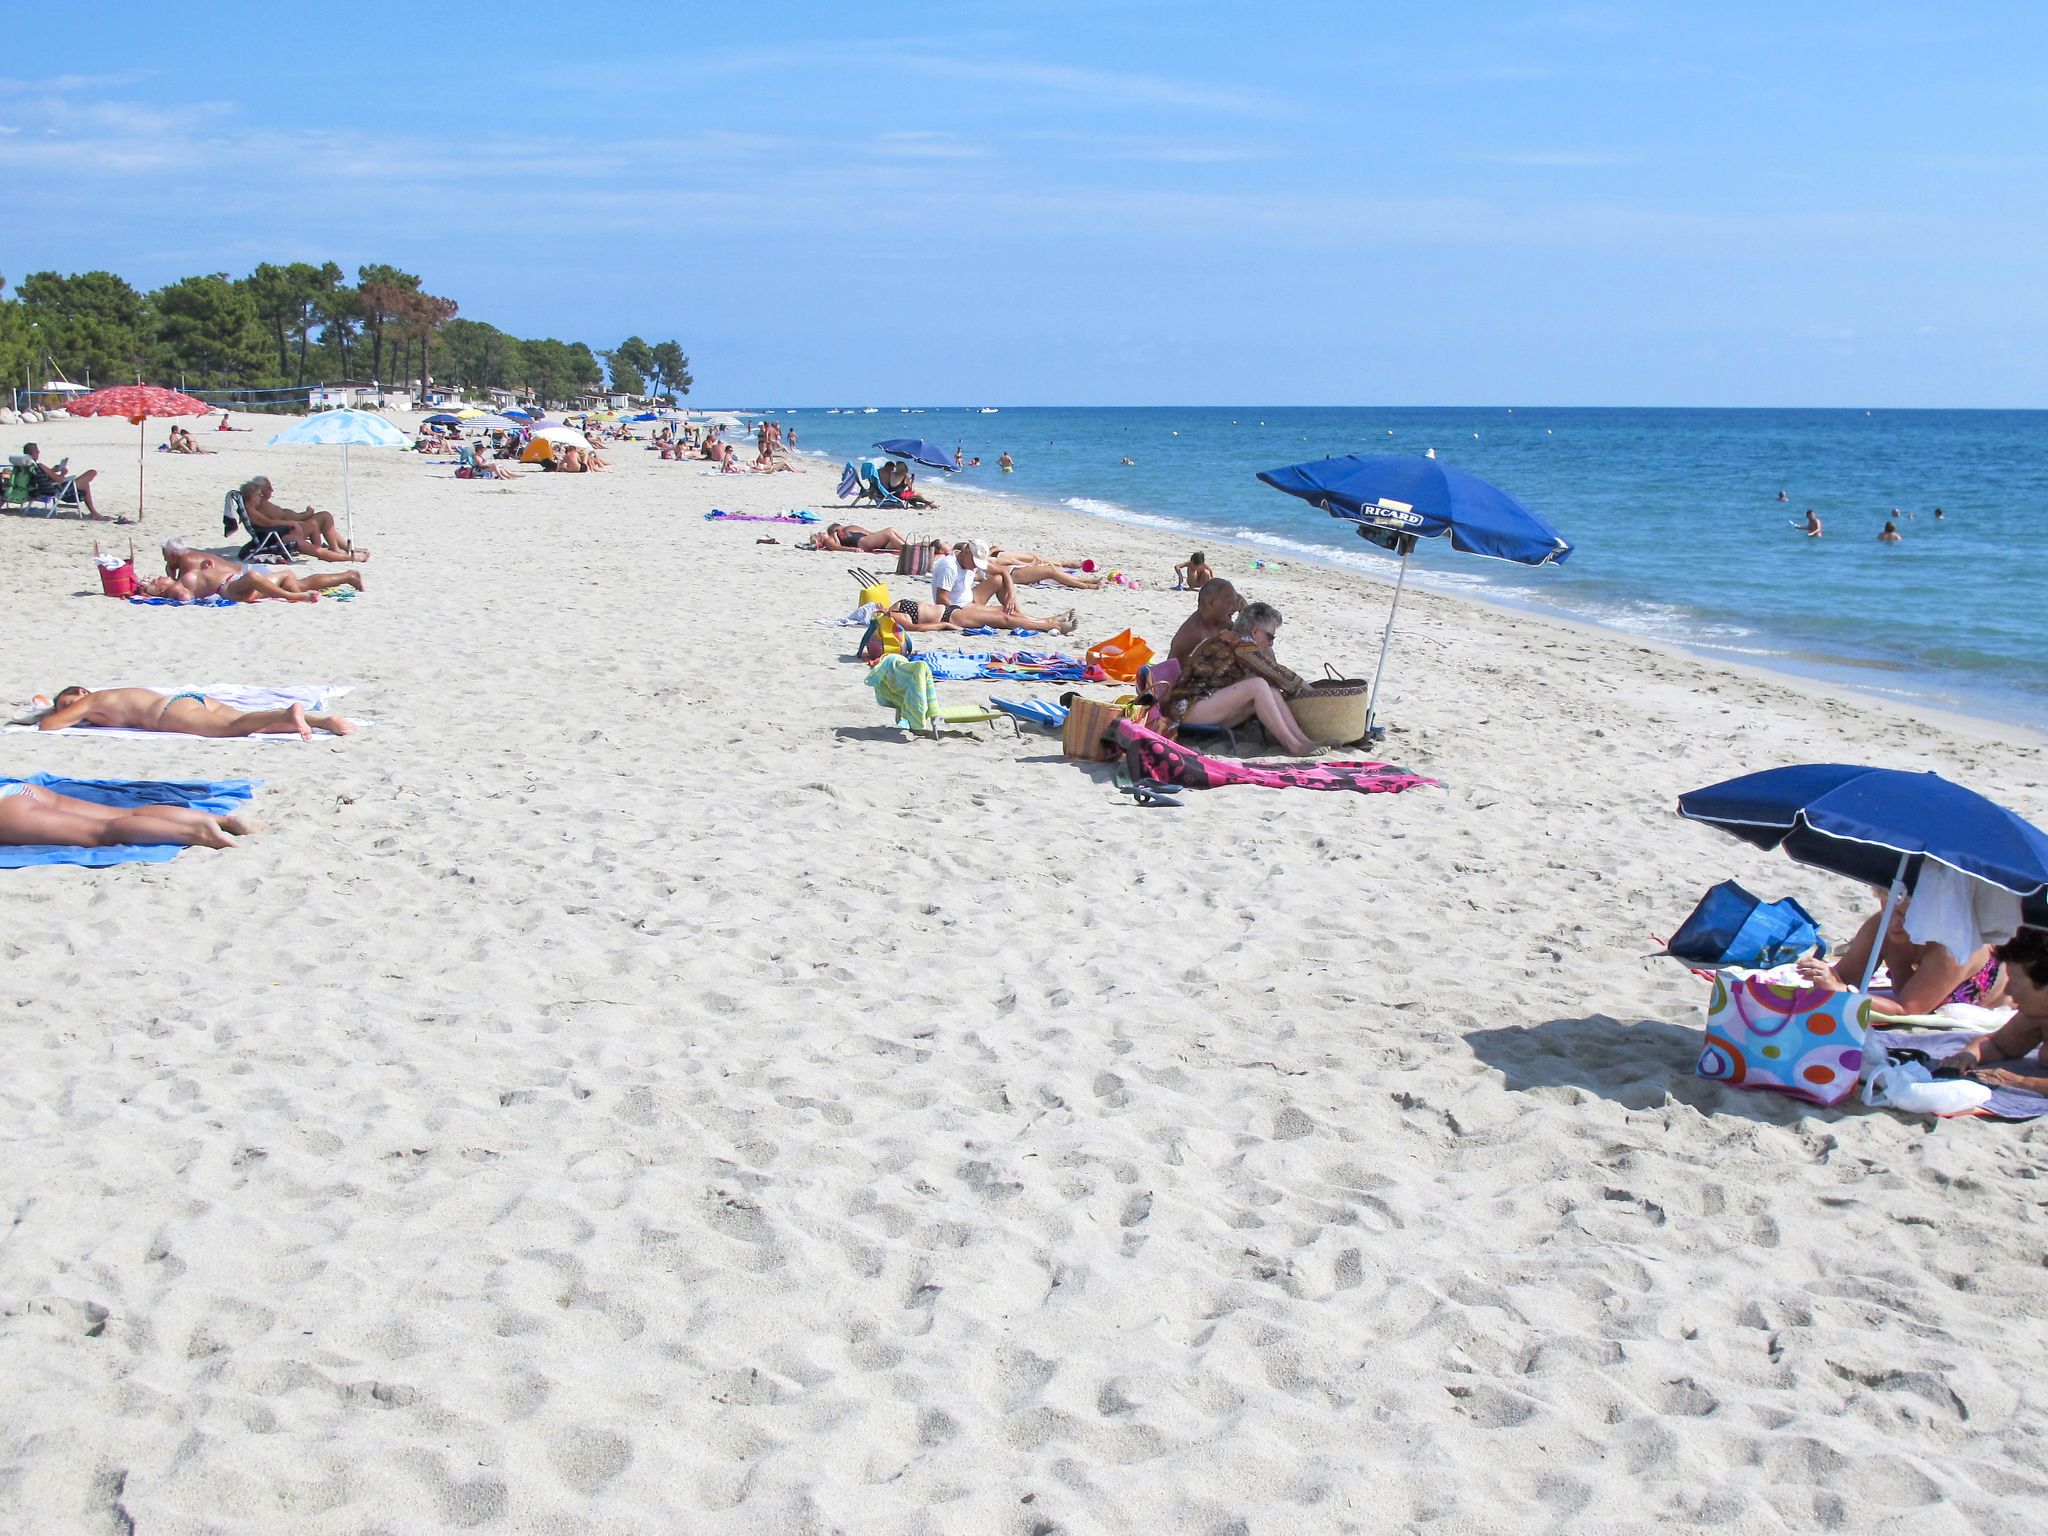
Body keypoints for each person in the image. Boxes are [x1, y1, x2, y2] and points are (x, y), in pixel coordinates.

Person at [1160, 601, 1326, 757]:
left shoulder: (1230, 637)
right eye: (1270, 637)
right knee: (1258, 684)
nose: (1271, 643)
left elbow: (1273, 675)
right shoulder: (1241, 645)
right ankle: (1294, 746)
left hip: (1203, 705)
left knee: (1271, 690)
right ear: (1255, 632)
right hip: (1188, 709)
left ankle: (1304, 741)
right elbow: (1276, 672)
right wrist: (1312, 692)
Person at [1794, 891, 1999, 1016]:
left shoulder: (1952, 947)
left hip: (1999, 1003)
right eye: (1887, 908)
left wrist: (1842, 990)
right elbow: (1845, 978)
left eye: (1903, 914)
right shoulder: (1882, 924)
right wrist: (1822, 976)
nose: (1893, 922)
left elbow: (1907, 1009)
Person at [0, 779, 262, 850]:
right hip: (17, 791)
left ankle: (196, 833)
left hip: (8, 811)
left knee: (102, 832)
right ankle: (226, 821)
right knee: (122, 813)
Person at [1935, 929, 2048, 1093]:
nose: (2007, 991)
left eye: (2015, 983)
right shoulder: (2037, 1015)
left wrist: (2021, 1082)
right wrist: (1968, 1055)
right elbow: (1999, 1046)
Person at [38, 686, 356, 741]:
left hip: (168, 713)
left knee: (232, 728)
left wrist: (53, 712)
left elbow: (49, 725)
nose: (73, 712)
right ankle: (322, 721)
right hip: (189, 699)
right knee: (251, 723)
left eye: (69, 703)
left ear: (81, 692)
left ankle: (291, 712)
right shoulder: (109, 698)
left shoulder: (91, 701)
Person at [241, 477, 367, 561]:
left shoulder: (253, 507)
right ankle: (347, 556)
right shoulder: (254, 508)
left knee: (319, 523)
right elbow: (269, 522)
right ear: (251, 496)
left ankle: (342, 552)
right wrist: (294, 521)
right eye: (259, 494)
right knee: (316, 541)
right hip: (277, 538)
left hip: (278, 534)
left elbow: (272, 521)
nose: (261, 496)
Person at [886, 596, 1076, 635]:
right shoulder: (894, 617)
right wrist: (944, 626)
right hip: (949, 618)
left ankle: (1050, 619)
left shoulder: (896, 605)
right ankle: (1055, 626)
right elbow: (917, 628)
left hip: (951, 609)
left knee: (1004, 610)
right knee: (1005, 620)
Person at [19, 443, 103, 518]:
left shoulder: (26, 466)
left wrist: (52, 470)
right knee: (91, 473)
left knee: (84, 484)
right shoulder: (40, 466)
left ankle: (93, 512)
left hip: (40, 490)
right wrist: (63, 473)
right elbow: (59, 479)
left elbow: (40, 478)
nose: (39, 452)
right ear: (32, 453)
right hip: (55, 490)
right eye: (37, 451)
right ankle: (94, 512)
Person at [1169, 577, 1241, 661]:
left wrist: (1244, 610)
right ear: (1211, 603)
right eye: (1230, 603)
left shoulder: (1223, 622)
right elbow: (1169, 670)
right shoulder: (1190, 634)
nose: (1236, 608)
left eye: (1235, 602)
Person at [815, 523, 906, 553]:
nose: (821, 532)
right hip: (864, 543)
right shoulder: (828, 540)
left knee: (891, 530)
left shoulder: (833, 537)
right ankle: (908, 550)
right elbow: (837, 548)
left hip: (866, 540)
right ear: (820, 539)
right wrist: (853, 549)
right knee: (889, 532)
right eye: (819, 534)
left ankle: (911, 546)